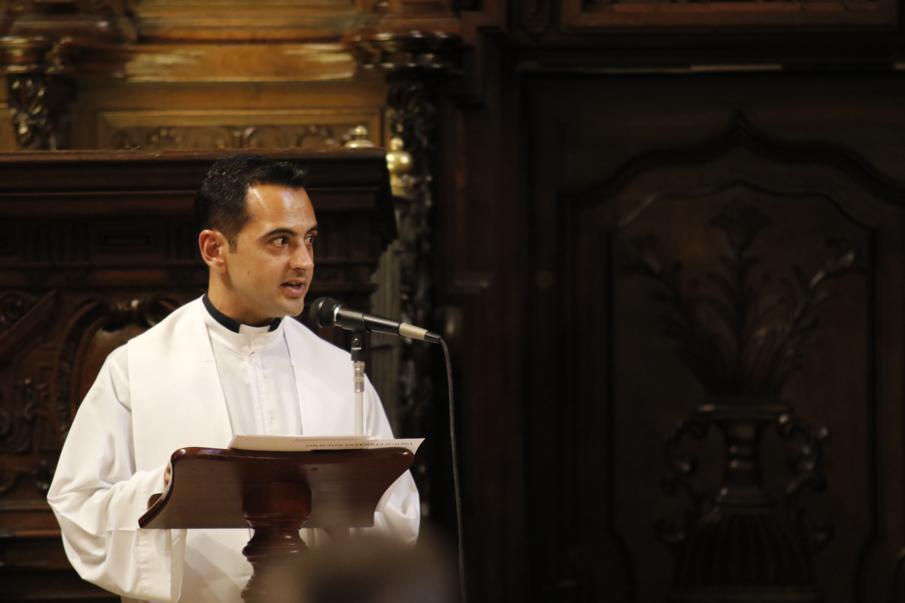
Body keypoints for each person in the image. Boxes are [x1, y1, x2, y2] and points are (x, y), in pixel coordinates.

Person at [46, 156, 420, 603]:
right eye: (279, 241)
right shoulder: (138, 367)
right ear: (214, 249)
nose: (302, 262)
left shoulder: (337, 372)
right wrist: (167, 487)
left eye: (309, 240)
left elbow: (398, 517)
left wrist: (341, 504)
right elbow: (79, 505)